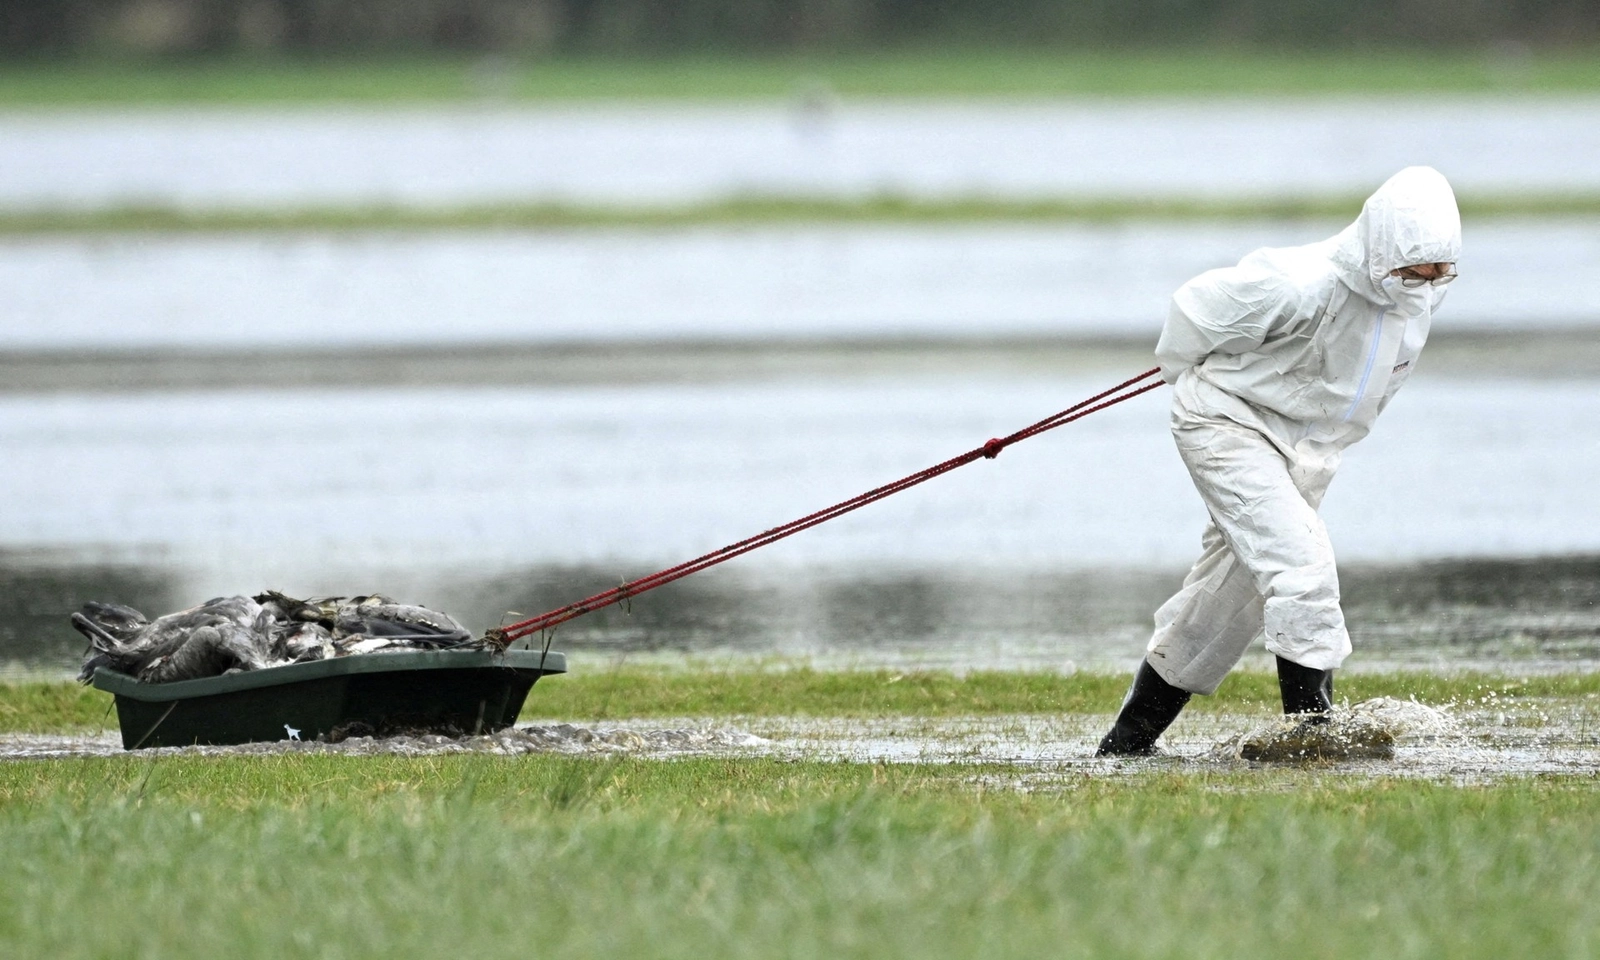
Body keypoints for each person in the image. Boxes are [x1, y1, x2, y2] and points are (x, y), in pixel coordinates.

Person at [1096, 166, 1462, 756]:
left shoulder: (1412, 305)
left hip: (1305, 453)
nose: (1422, 284)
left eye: (1437, 273)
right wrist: (1184, 370)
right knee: (1304, 567)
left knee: (1225, 603)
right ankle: (1314, 738)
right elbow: (1193, 315)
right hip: (1226, 426)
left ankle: (1125, 746)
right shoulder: (1298, 283)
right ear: (1380, 247)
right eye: (1410, 270)